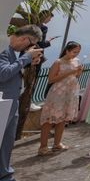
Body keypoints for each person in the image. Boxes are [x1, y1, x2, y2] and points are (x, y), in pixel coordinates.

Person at [0, 25, 43, 180]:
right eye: (31, 43)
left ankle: (4, 173)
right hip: (3, 103)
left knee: (7, 141)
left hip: (11, 103)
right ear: (25, 38)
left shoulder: (14, 52)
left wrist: (27, 63)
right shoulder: (3, 49)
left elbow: (12, 73)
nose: (30, 47)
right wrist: (26, 58)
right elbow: (3, 74)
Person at [38, 41, 82, 156]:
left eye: (78, 52)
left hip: (70, 93)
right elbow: (51, 79)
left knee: (62, 118)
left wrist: (78, 72)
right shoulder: (58, 62)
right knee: (49, 119)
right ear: (67, 51)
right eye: (74, 52)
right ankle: (43, 147)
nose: (76, 54)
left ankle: (57, 144)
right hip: (58, 93)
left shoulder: (76, 61)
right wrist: (69, 72)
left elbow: (75, 76)